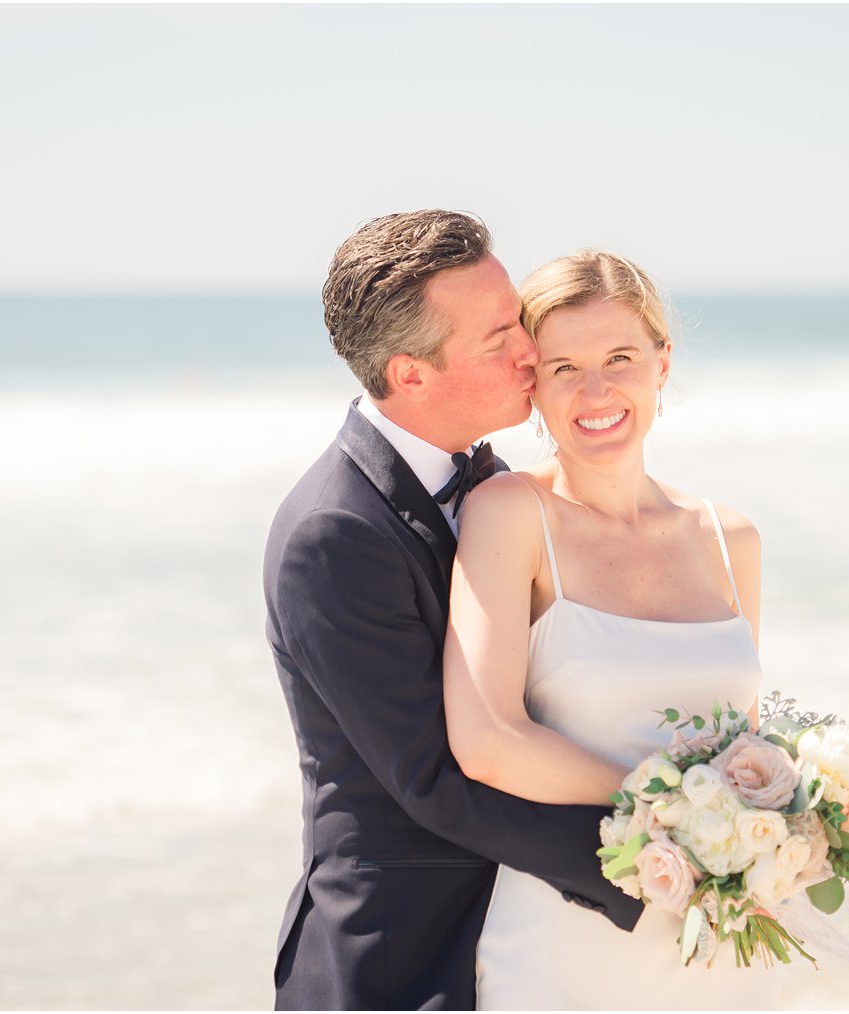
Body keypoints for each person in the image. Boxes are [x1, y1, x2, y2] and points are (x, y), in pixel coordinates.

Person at [263, 212, 642, 1011]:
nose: (529, 352)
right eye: (499, 336)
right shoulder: (333, 535)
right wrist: (654, 853)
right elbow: (432, 778)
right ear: (411, 373)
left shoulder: (492, 482)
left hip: (522, 937)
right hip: (400, 958)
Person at [443, 251, 776, 1009]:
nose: (596, 391)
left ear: (662, 362)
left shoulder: (733, 538)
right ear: (533, 383)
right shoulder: (510, 514)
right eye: (564, 367)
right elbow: (487, 738)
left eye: (620, 358)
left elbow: (746, 743)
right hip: (567, 937)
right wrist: (681, 805)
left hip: (711, 935)